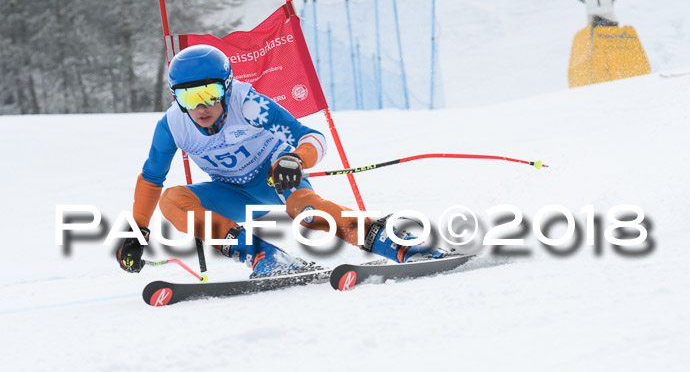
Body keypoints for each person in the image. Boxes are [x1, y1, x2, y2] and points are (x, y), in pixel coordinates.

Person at [116, 44, 445, 277]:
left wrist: (296, 160)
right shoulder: (173, 125)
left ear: (227, 88)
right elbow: (151, 179)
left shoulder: (250, 106)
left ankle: (399, 245)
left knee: (308, 213)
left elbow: (311, 137)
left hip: (278, 178)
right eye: (189, 97)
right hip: (230, 192)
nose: (201, 108)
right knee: (173, 199)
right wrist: (137, 234)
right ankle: (265, 256)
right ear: (177, 98)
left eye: (210, 94)